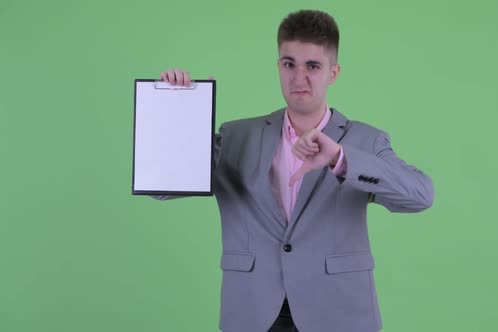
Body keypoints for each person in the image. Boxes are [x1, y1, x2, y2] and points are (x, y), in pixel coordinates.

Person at [152, 9, 434, 332]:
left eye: (312, 66)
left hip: (337, 314)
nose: (299, 78)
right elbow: (162, 188)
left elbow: (421, 195)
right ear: (278, 66)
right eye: (289, 64)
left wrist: (341, 160)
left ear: (334, 72)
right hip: (254, 313)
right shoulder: (236, 136)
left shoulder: (364, 141)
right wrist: (179, 112)